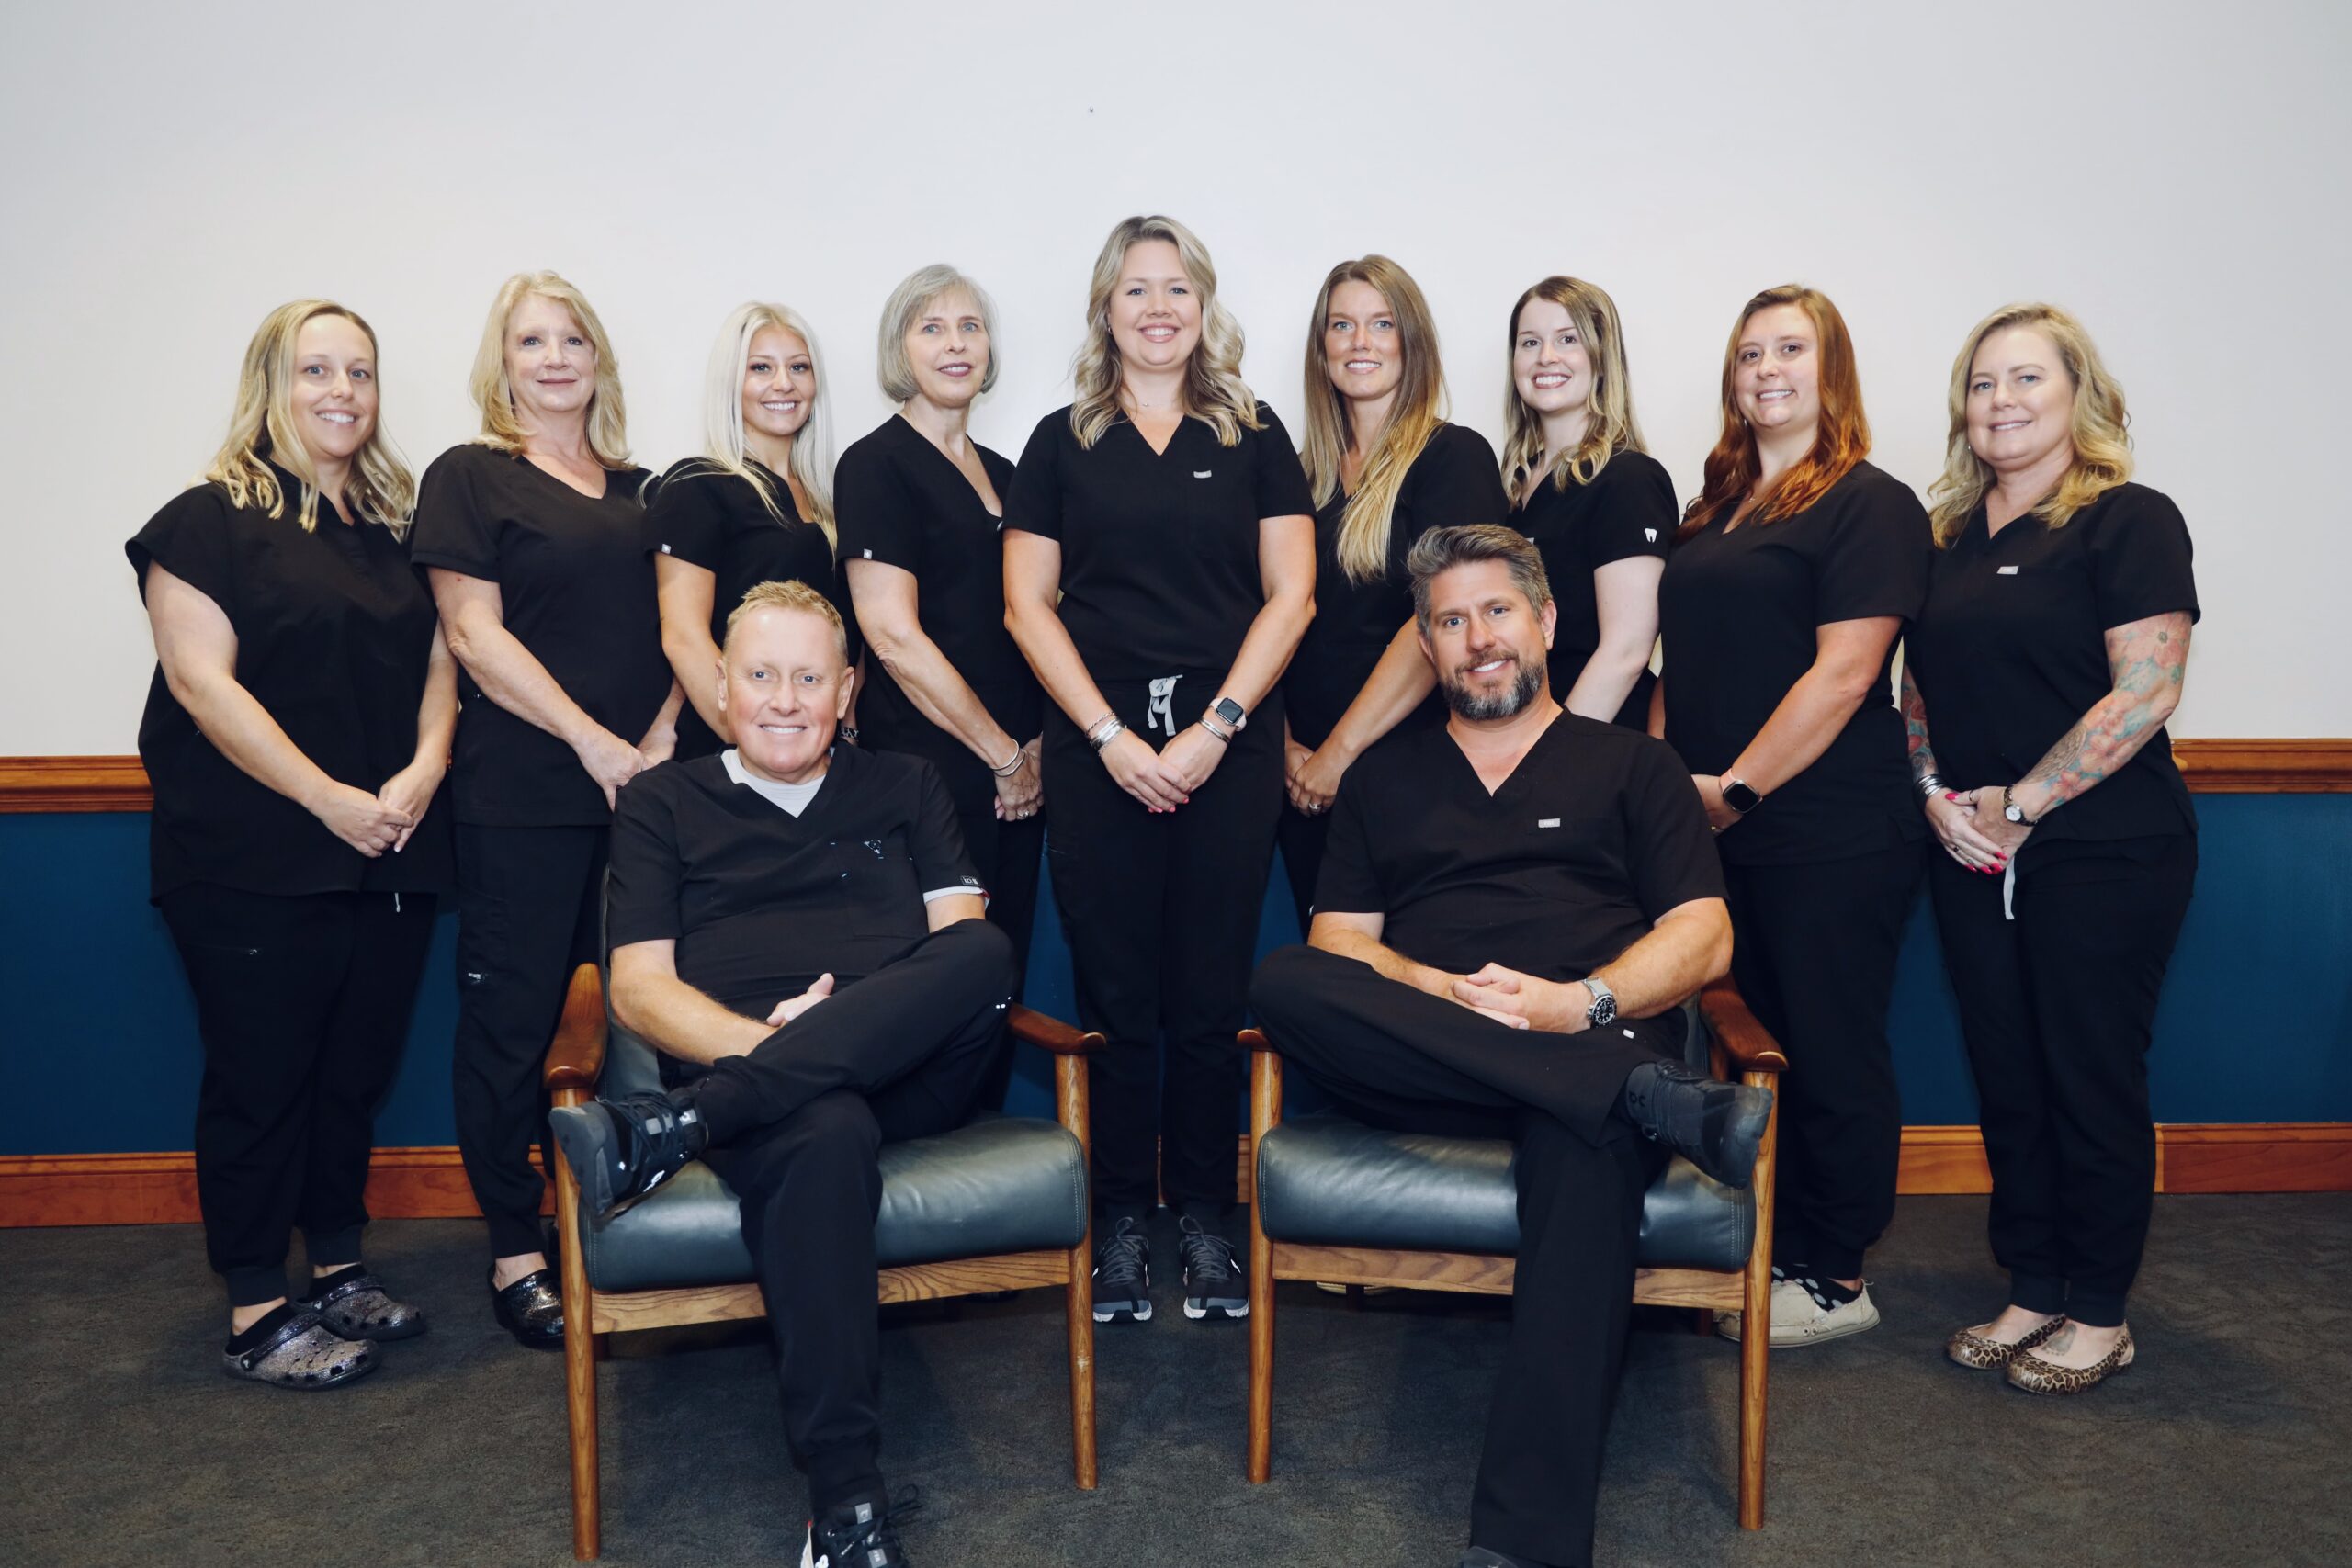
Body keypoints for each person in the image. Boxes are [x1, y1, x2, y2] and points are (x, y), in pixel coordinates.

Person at [1250, 524, 1769, 1568]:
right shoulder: (1386, 780)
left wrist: (1575, 1005)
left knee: (1580, 1150)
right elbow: (1340, 947)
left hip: (1586, 1032)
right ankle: (1638, 1093)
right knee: (1282, 976)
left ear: (1545, 622)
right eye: (1449, 621)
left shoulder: (1633, 764)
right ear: (1426, 647)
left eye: (1495, 612)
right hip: (1432, 1061)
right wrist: (1446, 993)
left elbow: (1703, 934)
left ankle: (1525, 1547)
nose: (1476, 639)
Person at [548, 580, 1012, 1568]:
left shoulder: (908, 783)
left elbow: (957, 955)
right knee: (824, 1123)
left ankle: (677, 1127)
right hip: (762, 1068)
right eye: (761, 675)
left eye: (809, 678)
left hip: (914, 1071)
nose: (785, 699)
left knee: (984, 952)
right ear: (722, 685)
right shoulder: (660, 801)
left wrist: (836, 1028)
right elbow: (635, 991)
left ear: (847, 691)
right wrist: (779, 1057)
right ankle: (845, 1504)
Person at [130, 299, 455, 1387]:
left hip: (391, 845)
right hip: (250, 861)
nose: (342, 392)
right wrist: (330, 800)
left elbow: (440, 665)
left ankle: (339, 1270)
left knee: (349, 1074)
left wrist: (418, 775)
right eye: (317, 370)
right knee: (262, 1080)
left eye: (360, 372)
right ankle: (258, 1309)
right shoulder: (204, 522)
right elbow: (200, 684)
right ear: (272, 382)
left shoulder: (389, 526)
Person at [1003, 214, 1316, 1324]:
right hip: (1098, 754)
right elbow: (1026, 607)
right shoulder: (1058, 441)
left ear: (1204, 304)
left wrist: (1216, 727)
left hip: (1227, 751)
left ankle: (1205, 1217)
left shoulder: (1254, 431)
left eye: (1176, 289)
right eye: (1135, 290)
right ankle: (1123, 1219)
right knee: (1117, 994)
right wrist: (1107, 740)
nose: (1157, 309)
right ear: (1105, 309)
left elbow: (1292, 596)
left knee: (1206, 993)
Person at [1903, 304, 2198, 1394]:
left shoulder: (2126, 519)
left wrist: (2022, 804)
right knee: (2008, 1075)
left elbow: (2148, 688)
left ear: (2078, 394)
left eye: (2027, 379)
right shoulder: (1942, 538)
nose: (2002, 403)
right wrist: (1934, 796)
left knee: (2086, 1071)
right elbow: (1917, 689)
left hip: (2105, 850)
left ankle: (2099, 1309)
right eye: (1981, 384)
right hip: (1970, 845)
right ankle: (2032, 1284)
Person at [1655, 284, 1930, 1348]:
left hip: (1831, 831)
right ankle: (1769, 1245)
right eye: (1749, 353)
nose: (1766, 369)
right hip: (1720, 827)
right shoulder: (1715, 510)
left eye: (1790, 350)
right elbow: (1686, 661)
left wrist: (1733, 791)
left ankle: (1836, 1276)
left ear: (1831, 371)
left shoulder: (1870, 503)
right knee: (1752, 1042)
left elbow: (1845, 674)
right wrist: (1672, 785)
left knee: (1829, 1043)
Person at [412, 270, 681, 1348]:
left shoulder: (647, 489)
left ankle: (615, 1224)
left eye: (573, 338)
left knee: (638, 1025)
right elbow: (473, 636)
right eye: (533, 342)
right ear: (504, 364)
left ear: (598, 358)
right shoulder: (471, 478)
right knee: (513, 1027)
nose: (556, 357)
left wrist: (657, 741)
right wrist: (593, 742)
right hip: (522, 801)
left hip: (644, 802)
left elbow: (686, 629)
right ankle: (516, 1251)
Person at [839, 265, 1044, 1108]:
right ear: (899, 349)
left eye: (969, 327)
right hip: (931, 769)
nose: (954, 344)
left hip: (1021, 775)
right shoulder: (874, 465)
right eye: (931, 328)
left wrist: (1034, 753)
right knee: (932, 980)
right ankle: (915, 1178)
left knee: (1002, 973)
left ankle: (982, 1176)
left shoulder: (1009, 467)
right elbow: (891, 635)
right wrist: (1002, 753)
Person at [1278, 254, 1507, 931]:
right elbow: (1270, 615)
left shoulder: (1454, 458)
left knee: (1405, 985)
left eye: (1382, 324)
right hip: (1301, 780)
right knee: (1325, 981)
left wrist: (1337, 755)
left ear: (1413, 342)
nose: (1360, 341)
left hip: (1410, 773)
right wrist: (1287, 748)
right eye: (1341, 325)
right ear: (1322, 350)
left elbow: (1447, 625)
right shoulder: (1301, 475)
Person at [651, 302, 853, 761]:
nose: (783, 383)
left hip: (816, 755)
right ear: (732, 383)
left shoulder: (831, 500)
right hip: (736, 757)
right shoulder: (697, 485)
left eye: (798, 367)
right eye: (761, 367)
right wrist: (750, 740)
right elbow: (683, 636)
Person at [1499, 276, 1673, 728]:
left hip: (1593, 739)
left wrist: (1553, 757)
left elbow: (1626, 651)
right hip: (1517, 736)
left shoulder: (1627, 479)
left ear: (1601, 358)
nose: (1546, 357)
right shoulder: (1510, 485)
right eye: (1529, 342)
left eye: (1568, 339)